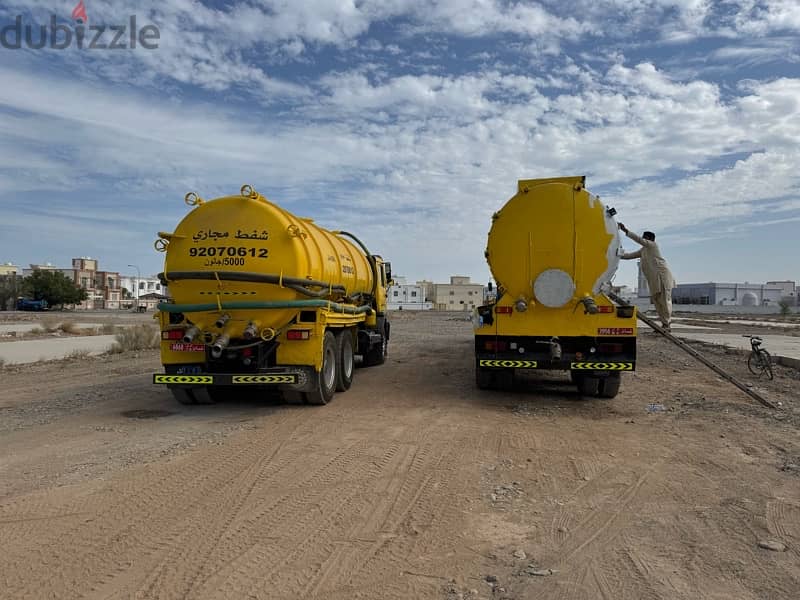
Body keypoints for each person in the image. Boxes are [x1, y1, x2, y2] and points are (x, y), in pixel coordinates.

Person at [618, 223, 676, 331]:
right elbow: (629, 256)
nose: (643, 239)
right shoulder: (644, 250)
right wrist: (617, 254)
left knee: (664, 300)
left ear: (649, 239)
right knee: (657, 301)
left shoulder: (652, 245)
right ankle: (664, 324)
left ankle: (667, 324)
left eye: (644, 237)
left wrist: (626, 230)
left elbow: (639, 240)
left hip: (662, 277)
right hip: (654, 280)